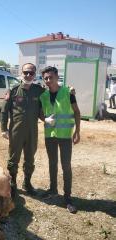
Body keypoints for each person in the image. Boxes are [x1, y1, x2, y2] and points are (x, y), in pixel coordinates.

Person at [39, 66, 80, 213]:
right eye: (46, 78)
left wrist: (77, 132)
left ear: (57, 77)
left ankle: (67, 197)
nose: (49, 80)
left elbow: (76, 112)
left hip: (65, 135)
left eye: (51, 77)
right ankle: (52, 189)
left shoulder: (68, 92)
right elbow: (39, 113)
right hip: (50, 135)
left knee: (66, 165)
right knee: (52, 163)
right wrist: (45, 120)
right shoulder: (43, 96)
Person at [1, 63, 45, 198]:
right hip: (16, 131)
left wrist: (68, 90)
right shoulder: (13, 91)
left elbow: (54, 93)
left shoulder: (40, 91)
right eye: (26, 72)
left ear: (35, 75)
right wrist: (3, 129)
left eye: (31, 73)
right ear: (21, 73)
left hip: (32, 131)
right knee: (14, 158)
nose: (28, 75)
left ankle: (27, 183)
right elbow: (4, 111)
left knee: (30, 158)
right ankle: (13, 183)